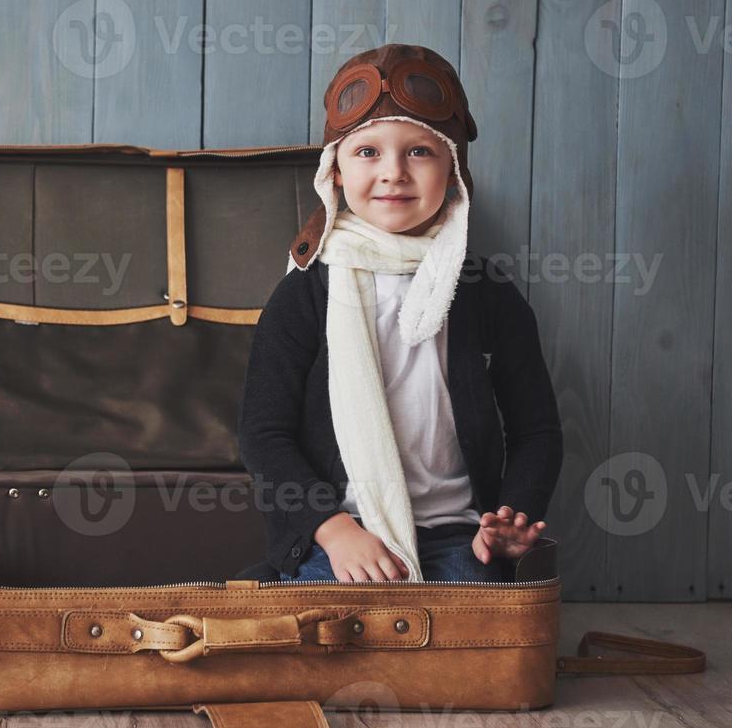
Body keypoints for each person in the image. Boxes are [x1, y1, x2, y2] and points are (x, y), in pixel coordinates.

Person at [237, 44, 562, 583]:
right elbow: (263, 434)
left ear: (453, 170)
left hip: (459, 536)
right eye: (367, 152)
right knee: (327, 641)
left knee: (470, 645)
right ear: (334, 171)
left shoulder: (485, 295)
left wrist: (511, 518)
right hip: (341, 535)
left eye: (419, 152)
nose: (394, 173)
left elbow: (537, 430)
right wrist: (331, 529)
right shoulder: (304, 296)